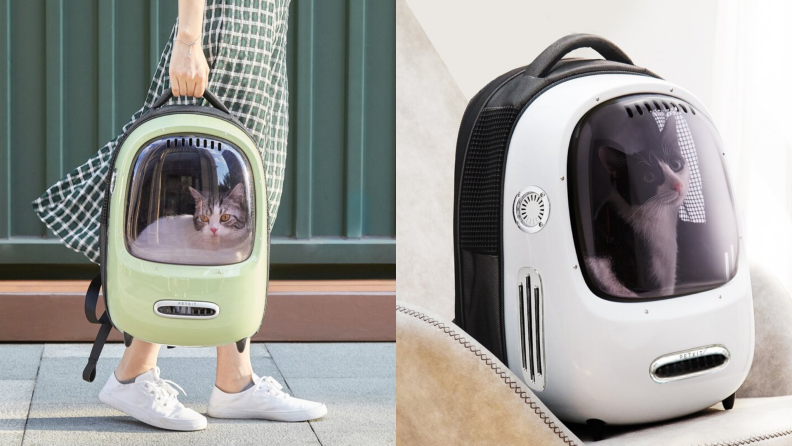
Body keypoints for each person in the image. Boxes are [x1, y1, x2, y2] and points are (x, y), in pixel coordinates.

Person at [31, 0, 326, 431]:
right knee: (191, 178)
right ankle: (133, 373)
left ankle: (234, 381)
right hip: (228, 27)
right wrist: (190, 38)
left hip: (263, 33)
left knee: (248, 208)